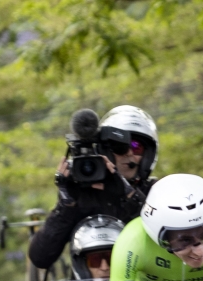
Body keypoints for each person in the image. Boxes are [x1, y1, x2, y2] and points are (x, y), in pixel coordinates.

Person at [29, 106, 159, 270]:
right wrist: (66, 204)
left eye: (136, 147)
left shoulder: (157, 193)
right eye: (119, 147)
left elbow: (164, 243)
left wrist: (128, 194)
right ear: (105, 151)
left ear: (148, 155)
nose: (128, 154)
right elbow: (41, 258)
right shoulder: (83, 193)